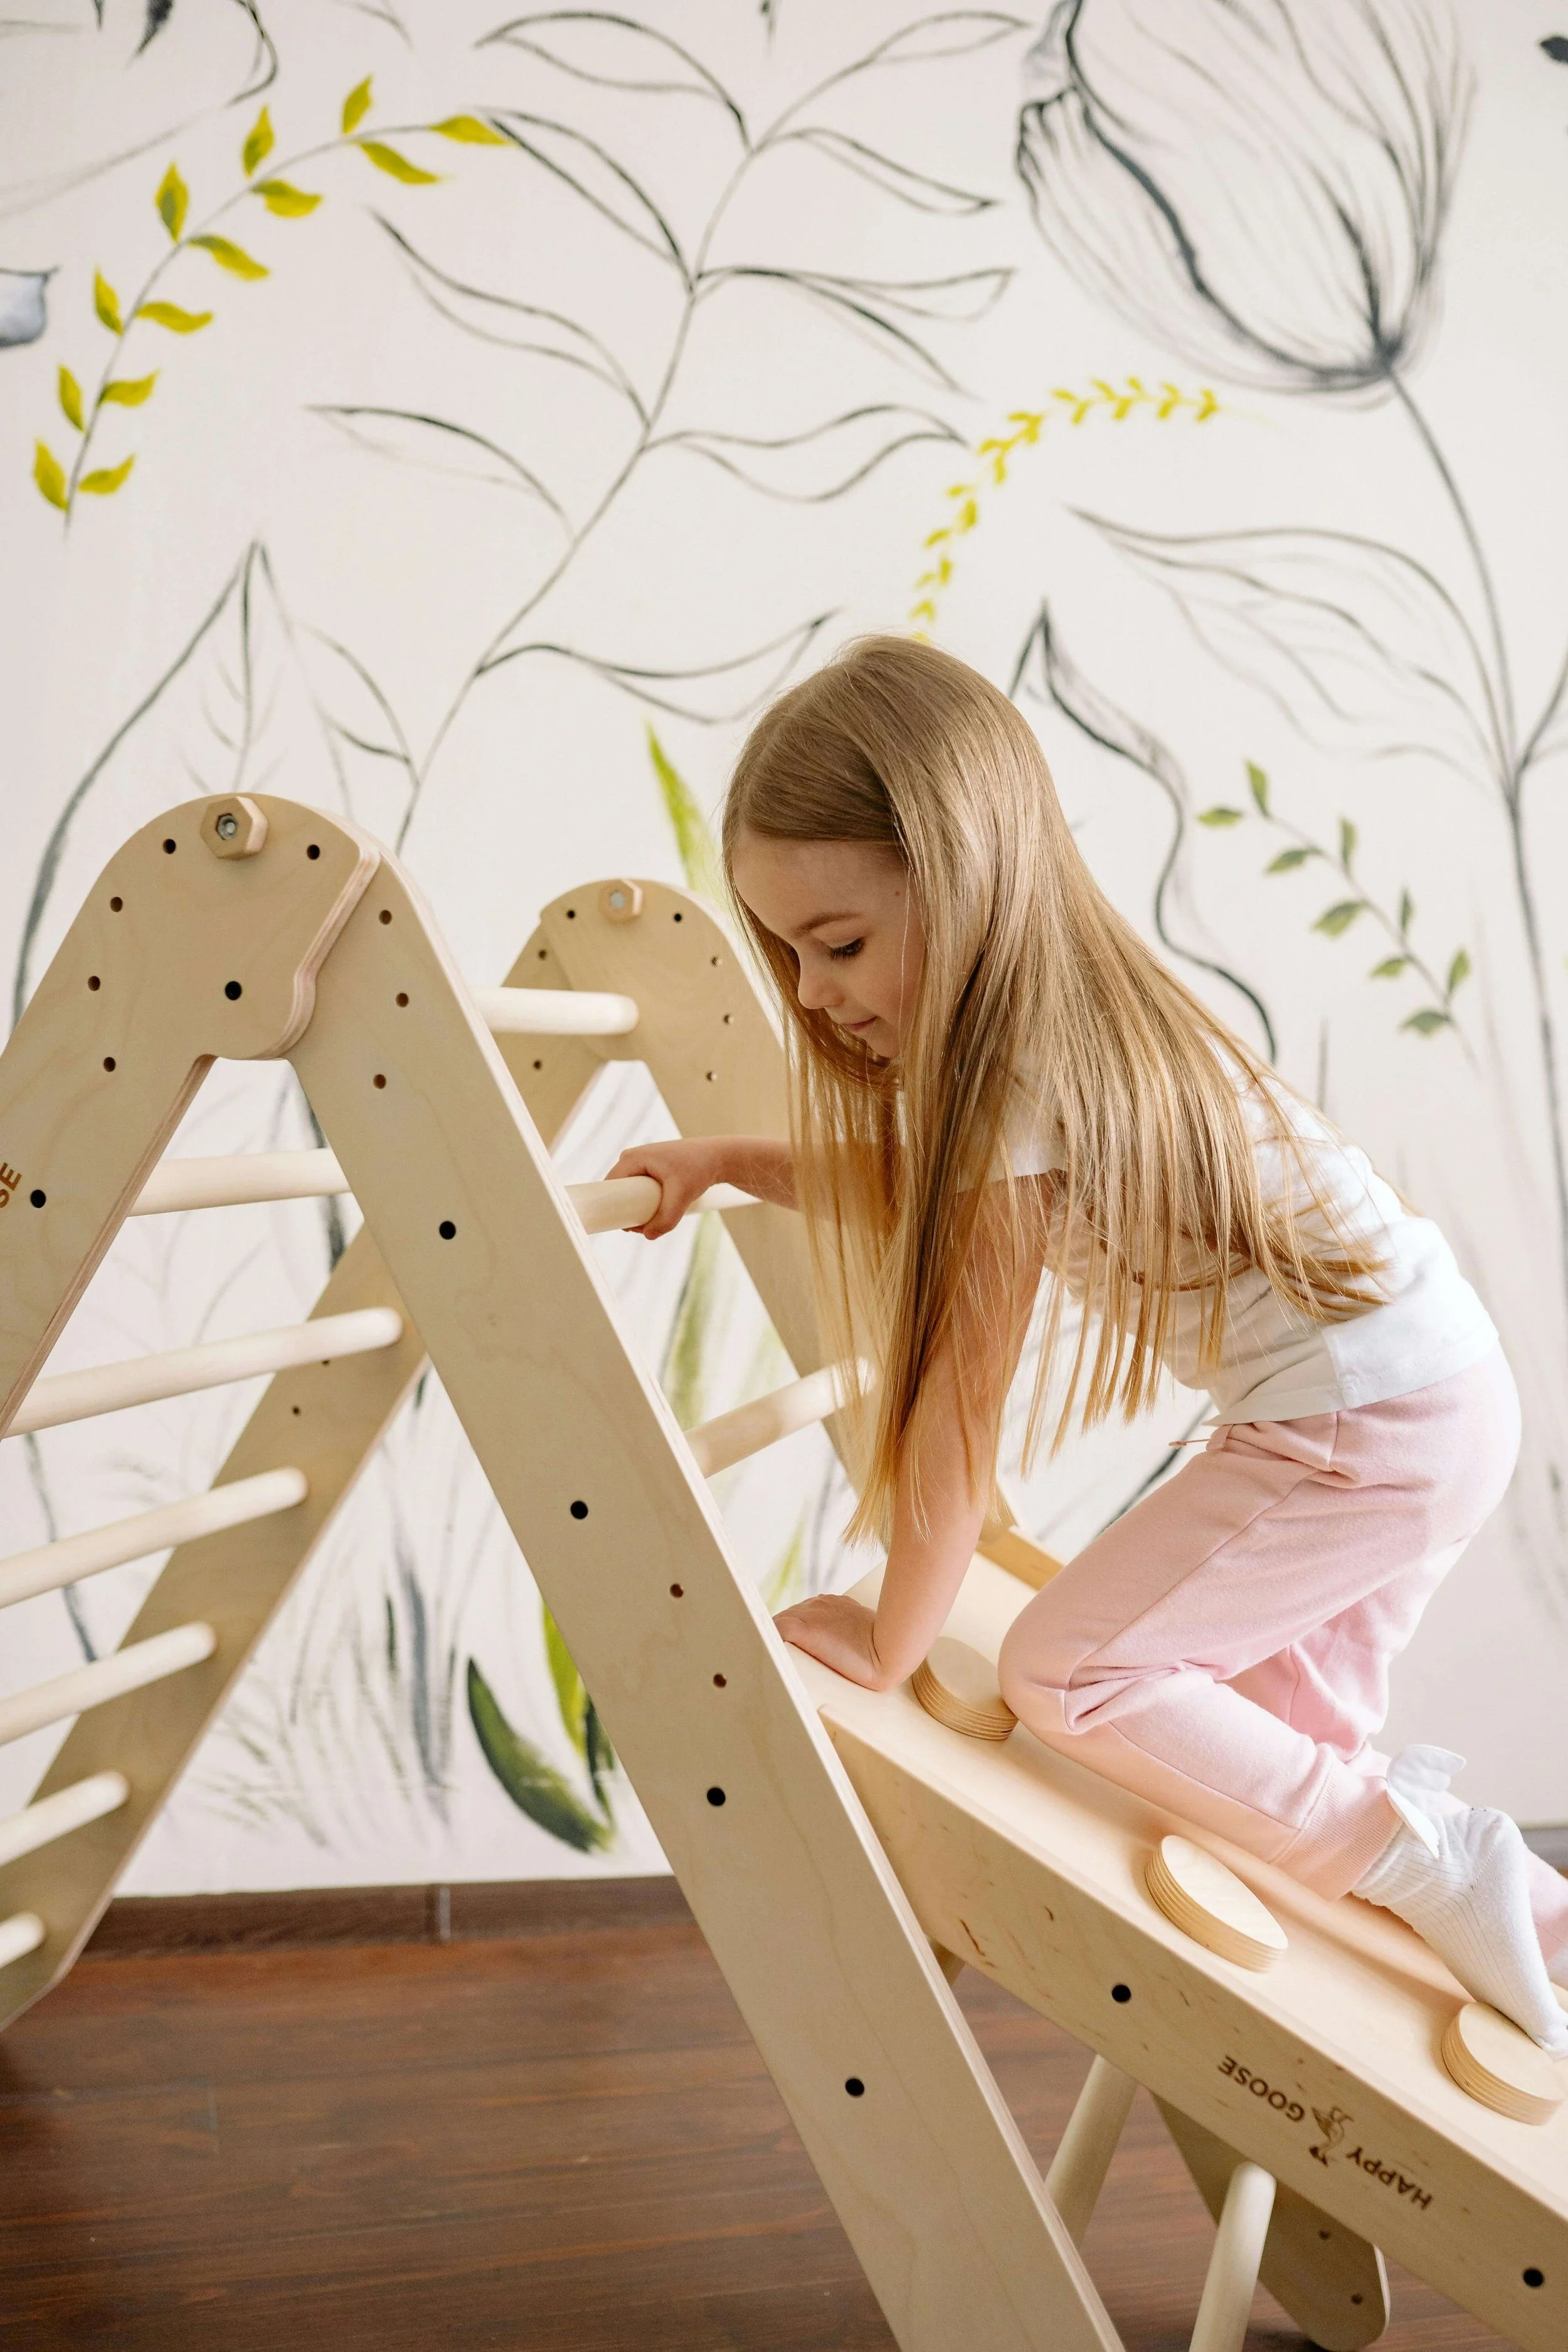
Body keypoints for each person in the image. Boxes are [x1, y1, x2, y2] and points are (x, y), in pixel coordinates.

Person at [608, 634, 1568, 2053]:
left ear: (961, 875)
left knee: (1070, 1674)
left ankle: (1440, 1864)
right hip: (1432, 1390)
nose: (809, 993)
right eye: (789, 953)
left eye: (840, 945)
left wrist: (891, 1636)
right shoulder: (1068, 1026)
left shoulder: (1013, 1077)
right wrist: (734, 1163)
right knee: (1270, 1756)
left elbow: (955, 1409)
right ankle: (1537, 1928)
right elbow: (931, 1194)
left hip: (1356, 1422)